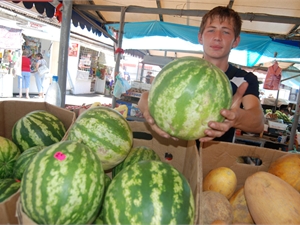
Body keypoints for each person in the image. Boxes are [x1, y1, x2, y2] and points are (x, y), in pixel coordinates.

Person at [138, 6, 264, 143]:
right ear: (200, 37)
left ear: (236, 41)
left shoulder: (244, 79)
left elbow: (258, 123)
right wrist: (146, 106)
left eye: (226, 32)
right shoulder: (182, 69)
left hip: (215, 159)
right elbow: (145, 97)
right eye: (211, 30)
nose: (217, 37)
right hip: (175, 151)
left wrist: (236, 117)